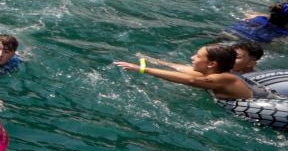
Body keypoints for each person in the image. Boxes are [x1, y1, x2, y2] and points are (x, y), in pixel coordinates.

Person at [115, 43, 272, 102]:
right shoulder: (216, 72)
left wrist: (144, 69)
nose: (192, 58)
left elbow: (191, 81)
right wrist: (153, 60)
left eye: (197, 56)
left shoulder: (223, 78)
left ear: (212, 64)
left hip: (263, 104)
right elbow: (183, 69)